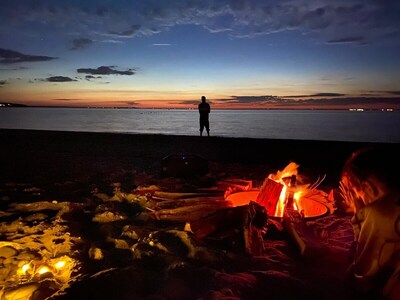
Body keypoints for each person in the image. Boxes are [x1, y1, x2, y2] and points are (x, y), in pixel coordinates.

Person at [340, 147, 400, 299]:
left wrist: (360, 215)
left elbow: (360, 278)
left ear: (368, 187)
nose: (353, 200)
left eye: (353, 192)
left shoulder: (379, 214)